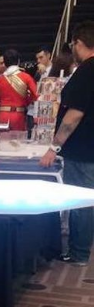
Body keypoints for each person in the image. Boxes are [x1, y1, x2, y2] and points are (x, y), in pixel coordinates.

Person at [40, 20, 94, 266]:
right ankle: (81, 248)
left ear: (79, 43)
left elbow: (74, 116)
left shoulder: (86, 71)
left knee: (81, 200)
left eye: (72, 45)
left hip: (83, 149)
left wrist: (54, 147)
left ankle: (78, 252)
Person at [0, 48, 37, 132]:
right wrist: (27, 101)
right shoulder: (26, 77)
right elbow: (35, 95)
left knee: (3, 139)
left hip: (2, 115)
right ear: (18, 61)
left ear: (5, 63)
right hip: (19, 115)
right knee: (18, 139)